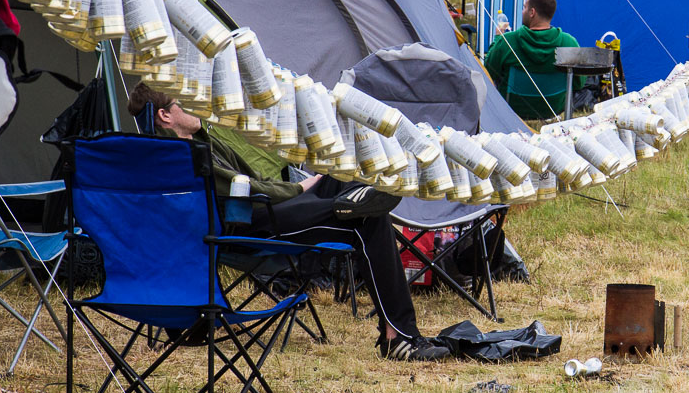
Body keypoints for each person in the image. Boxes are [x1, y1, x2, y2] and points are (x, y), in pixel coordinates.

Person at [126, 82, 451, 362]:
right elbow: (241, 187)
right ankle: (398, 337)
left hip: (265, 206)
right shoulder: (178, 156)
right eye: (186, 101)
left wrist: (304, 185)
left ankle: (355, 196)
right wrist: (299, 188)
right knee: (369, 219)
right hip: (249, 224)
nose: (197, 104)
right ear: (165, 115)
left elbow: (251, 176)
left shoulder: (202, 141)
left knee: (341, 182)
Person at [483, 0, 580, 119]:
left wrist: (497, 39)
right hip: (554, 108)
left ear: (532, 12)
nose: (522, 11)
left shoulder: (506, 42)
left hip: (512, 107)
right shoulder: (570, 43)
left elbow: (488, 72)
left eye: (524, 7)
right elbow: (578, 83)